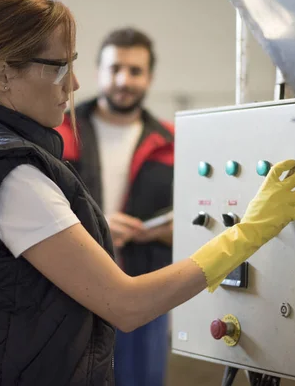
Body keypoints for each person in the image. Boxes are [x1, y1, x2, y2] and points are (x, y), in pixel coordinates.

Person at [0, 0, 295, 385]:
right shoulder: (13, 175)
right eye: (59, 67)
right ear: (1, 77)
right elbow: (128, 305)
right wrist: (247, 233)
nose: (74, 83)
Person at [55, 27, 174, 386]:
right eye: (115, 68)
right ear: (98, 72)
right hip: (72, 287)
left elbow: (196, 212)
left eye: (135, 71)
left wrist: (173, 229)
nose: (124, 79)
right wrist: (98, 224)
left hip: (145, 286)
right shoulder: (59, 131)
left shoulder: (172, 141)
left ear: (149, 77)